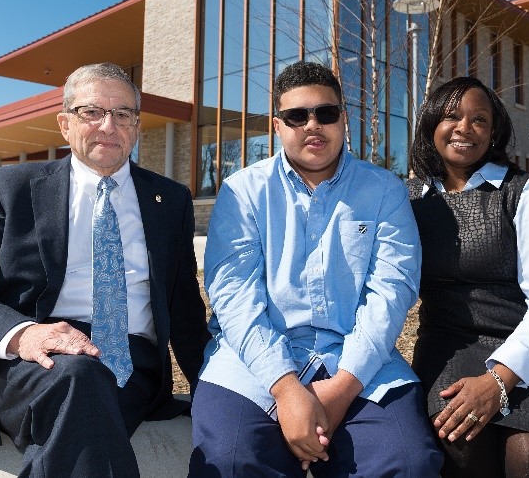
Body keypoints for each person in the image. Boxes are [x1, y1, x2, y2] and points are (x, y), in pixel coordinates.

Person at [0, 63, 209, 478]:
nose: (108, 126)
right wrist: (26, 334)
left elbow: (184, 308)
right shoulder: (9, 189)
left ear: (136, 125)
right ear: (64, 124)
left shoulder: (168, 199)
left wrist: (216, 390)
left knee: (87, 390)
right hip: (31, 363)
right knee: (80, 378)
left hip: (131, 366)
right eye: (91, 112)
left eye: (123, 115)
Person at [189, 61, 443, 477]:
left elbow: (391, 293)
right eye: (296, 116)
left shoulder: (384, 191)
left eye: (326, 113)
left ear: (344, 118)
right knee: (230, 461)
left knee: (409, 462)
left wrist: (342, 389)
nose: (313, 125)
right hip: (252, 362)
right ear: (277, 125)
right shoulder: (243, 191)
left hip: (359, 361)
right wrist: (287, 389)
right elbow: (234, 296)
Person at [406, 76, 529, 478]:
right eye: (451, 116)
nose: (464, 128)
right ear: (430, 125)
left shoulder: (528, 190)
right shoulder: (407, 199)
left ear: (493, 133)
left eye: (479, 120)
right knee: (459, 443)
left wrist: (499, 380)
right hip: (449, 346)